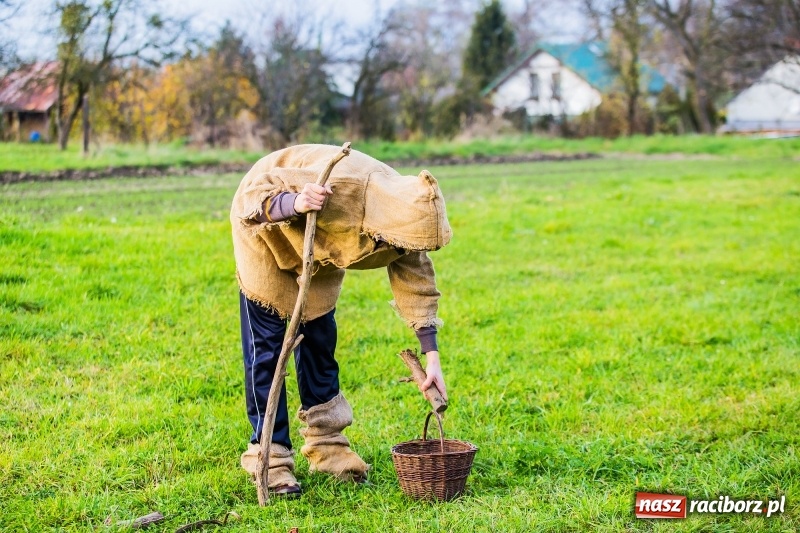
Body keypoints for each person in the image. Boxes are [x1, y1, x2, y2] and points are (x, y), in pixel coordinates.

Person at [230, 144, 451, 496]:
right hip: (266, 235)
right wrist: (296, 203)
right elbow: (253, 196)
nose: (413, 251)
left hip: (319, 249)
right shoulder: (347, 185)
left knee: (319, 346)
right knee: (268, 355)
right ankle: (270, 460)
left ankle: (329, 448)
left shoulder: (406, 218)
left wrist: (432, 358)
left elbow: (418, 286)